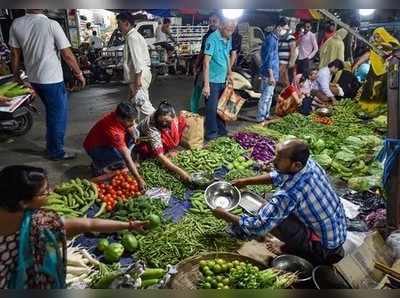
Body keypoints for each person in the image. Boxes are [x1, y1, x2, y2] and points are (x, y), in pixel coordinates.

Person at [0, 165, 149, 289]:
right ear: (23, 203)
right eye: (44, 192)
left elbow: (88, 224)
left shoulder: (38, 221)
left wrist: (129, 225)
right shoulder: (36, 223)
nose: (51, 192)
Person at [212, 139, 347, 266]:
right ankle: (295, 241)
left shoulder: (290, 193)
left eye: (279, 159)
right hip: (336, 230)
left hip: (322, 248)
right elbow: (279, 175)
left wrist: (226, 215)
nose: (273, 161)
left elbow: (259, 227)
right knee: (270, 206)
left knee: (269, 216)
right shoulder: (309, 164)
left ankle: (299, 251)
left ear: (296, 165)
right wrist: (245, 181)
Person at [9, 9, 86, 161]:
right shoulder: (51, 24)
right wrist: (79, 74)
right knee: (58, 116)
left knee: (52, 114)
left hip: (33, 80)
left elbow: (14, 54)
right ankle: (56, 152)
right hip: (52, 80)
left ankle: (51, 146)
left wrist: (16, 75)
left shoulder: (16, 23)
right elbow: (67, 54)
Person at [83, 102, 146, 190]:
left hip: (104, 141)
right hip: (94, 148)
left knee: (134, 134)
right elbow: (127, 158)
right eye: (130, 121)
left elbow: (130, 127)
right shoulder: (114, 131)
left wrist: (134, 135)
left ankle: (107, 159)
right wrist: (138, 179)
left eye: (134, 120)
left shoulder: (118, 114)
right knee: (122, 159)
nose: (133, 123)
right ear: (120, 118)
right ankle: (98, 166)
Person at [136, 101, 191, 182]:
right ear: (158, 117)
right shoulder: (152, 127)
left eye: (167, 121)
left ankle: (166, 151)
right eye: (162, 121)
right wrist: (181, 172)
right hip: (142, 139)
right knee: (152, 153)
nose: (165, 123)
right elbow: (160, 156)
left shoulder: (169, 113)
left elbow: (174, 122)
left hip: (158, 131)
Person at [117, 12, 155, 120]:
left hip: (139, 76)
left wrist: (137, 80)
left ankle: (164, 123)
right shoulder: (133, 36)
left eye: (119, 24)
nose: (118, 27)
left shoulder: (132, 37)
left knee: (143, 105)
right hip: (139, 75)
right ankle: (137, 131)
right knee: (135, 105)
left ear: (127, 23)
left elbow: (137, 60)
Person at [352, 27, 400, 113]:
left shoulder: (392, 42)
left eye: (378, 36)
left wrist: (379, 44)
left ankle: (380, 110)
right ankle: (366, 108)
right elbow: (368, 54)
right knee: (368, 89)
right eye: (375, 37)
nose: (376, 38)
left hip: (386, 71)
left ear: (383, 34)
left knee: (380, 91)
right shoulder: (374, 45)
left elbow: (393, 47)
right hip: (373, 70)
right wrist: (357, 64)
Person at [202, 18, 235, 141]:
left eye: (232, 30)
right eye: (228, 30)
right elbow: (206, 62)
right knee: (211, 109)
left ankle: (222, 131)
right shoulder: (212, 38)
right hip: (212, 80)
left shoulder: (228, 37)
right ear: (221, 26)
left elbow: (227, 55)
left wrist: (230, 73)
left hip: (222, 80)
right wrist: (206, 84)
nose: (230, 33)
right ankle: (211, 134)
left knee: (222, 107)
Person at [257, 17, 289, 124]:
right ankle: (261, 117)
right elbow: (269, 59)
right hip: (268, 73)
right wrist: (271, 75)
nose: (285, 31)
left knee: (269, 96)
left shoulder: (274, 38)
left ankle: (265, 115)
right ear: (279, 27)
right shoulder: (271, 40)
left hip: (272, 72)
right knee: (266, 96)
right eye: (284, 28)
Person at [190, 13, 221, 113]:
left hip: (217, 73)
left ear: (220, 22)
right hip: (204, 69)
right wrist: (196, 65)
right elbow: (202, 52)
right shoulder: (207, 36)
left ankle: (211, 115)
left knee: (211, 96)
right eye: (210, 21)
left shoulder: (223, 37)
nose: (211, 24)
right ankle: (193, 113)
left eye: (214, 21)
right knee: (198, 90)